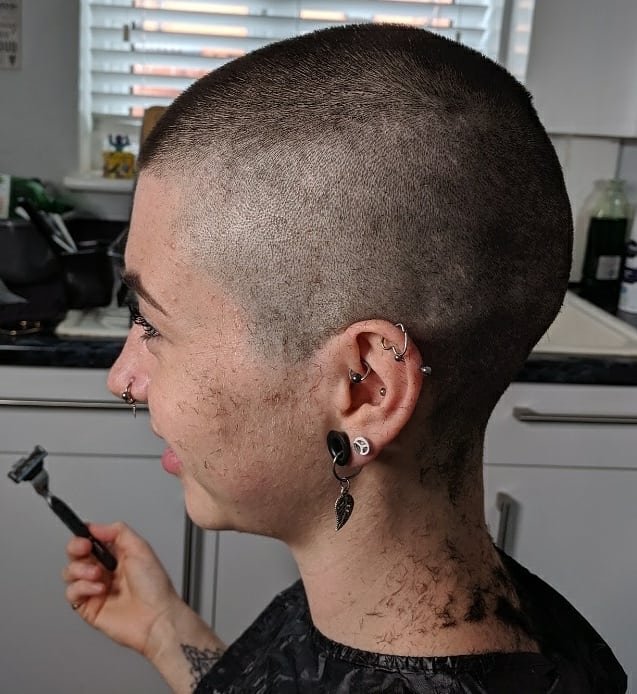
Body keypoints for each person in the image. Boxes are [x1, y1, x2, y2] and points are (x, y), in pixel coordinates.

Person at [62, 23, 627, 694]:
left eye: (153, 326)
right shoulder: (432, 607)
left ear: (366, 389)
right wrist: (166, 631)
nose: (123, 380)